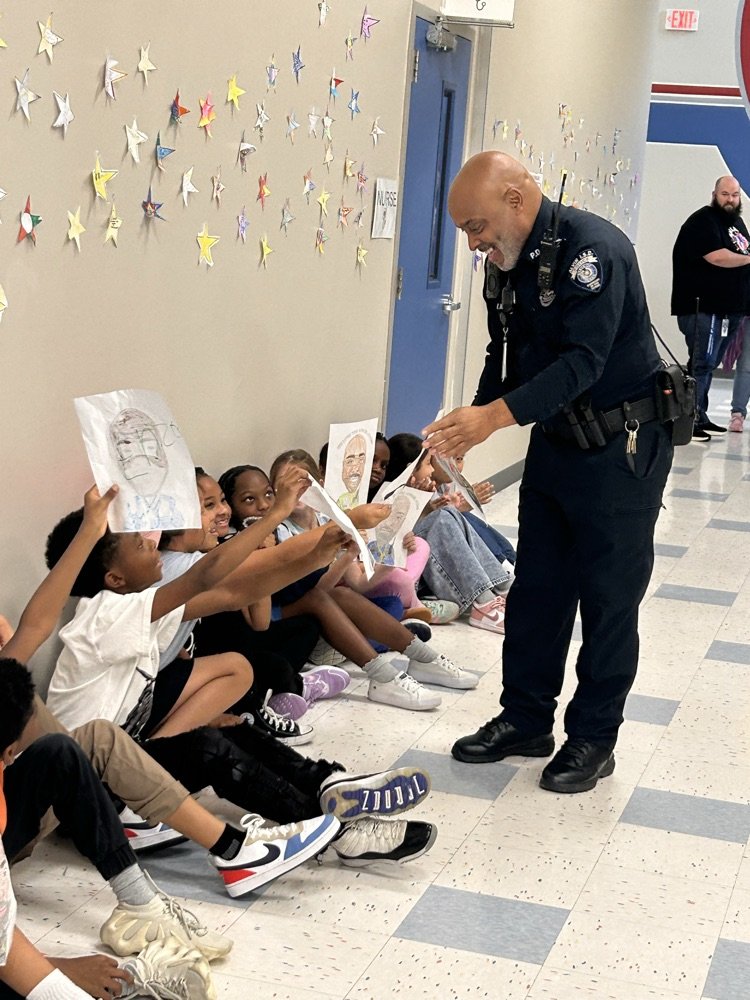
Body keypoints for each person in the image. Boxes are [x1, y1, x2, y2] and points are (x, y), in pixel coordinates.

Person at [424, 151, 674, 793]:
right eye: (464, 234)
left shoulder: (595, 254)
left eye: (476, 226)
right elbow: (503, 351)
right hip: (559, 443)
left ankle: (594, 738)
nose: (474, 243)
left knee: (609, 598)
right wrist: (466, 427)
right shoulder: (507, 265)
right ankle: (526, 718)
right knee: (538, 588)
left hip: (623, 446)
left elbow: (581, 365)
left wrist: (493, 420)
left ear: (516, 199)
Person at [671, 175, 750, 440]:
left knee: (710, 362)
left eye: (735, 195)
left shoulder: (736, 224)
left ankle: (700, 415)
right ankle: (689, 419)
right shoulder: (702, 221)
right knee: (702, 363)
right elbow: (717, 257)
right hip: (704, 308)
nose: (730, 200)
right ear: (714, 194)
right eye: (725, 194)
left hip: (729, 311)